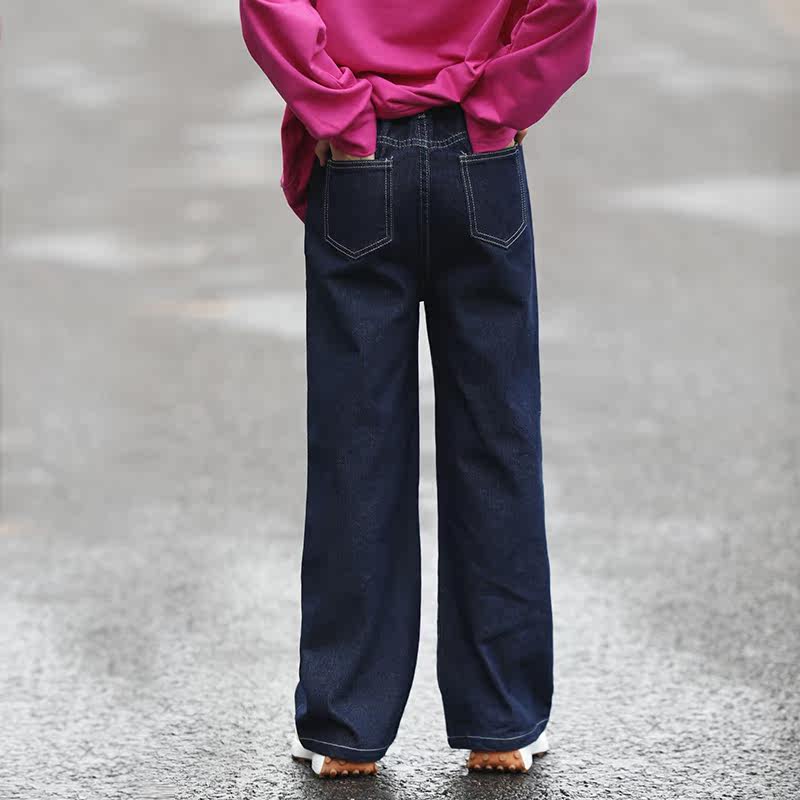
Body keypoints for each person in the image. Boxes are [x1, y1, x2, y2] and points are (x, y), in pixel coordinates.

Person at [240, 0, 596, 779]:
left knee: (356, 447)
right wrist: (498, 104)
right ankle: (500, 721)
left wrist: (338, 108)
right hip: (481, 156)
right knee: (497, 439)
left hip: (358, 157)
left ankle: (345, 725)